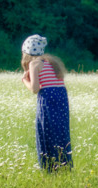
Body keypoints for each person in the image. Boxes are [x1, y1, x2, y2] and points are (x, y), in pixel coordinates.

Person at [21, 34, 73, 172]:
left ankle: (49, 166)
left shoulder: (34, 63)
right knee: (61, 130)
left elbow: (35, 89)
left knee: (46, 130)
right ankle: (64, 164)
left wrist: (25, 80)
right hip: (61, 97)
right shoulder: (52, 62)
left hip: (48, 98)